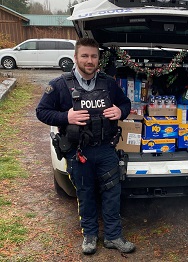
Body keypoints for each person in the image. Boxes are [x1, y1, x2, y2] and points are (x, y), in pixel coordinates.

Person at [36, 38, 135, 255]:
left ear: (98, 59)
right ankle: (90, 236)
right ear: (76, 57)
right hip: (77, 151)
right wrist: (66, 116)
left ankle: (113, 236)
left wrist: (121, 112)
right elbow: (41, 112)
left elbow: (125, 103)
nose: (89, 61)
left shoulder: (109, 83)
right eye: (85, 56)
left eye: (93, 56)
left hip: (106, 149)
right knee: (85, 194)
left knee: (112, 193)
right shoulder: (60, 84)